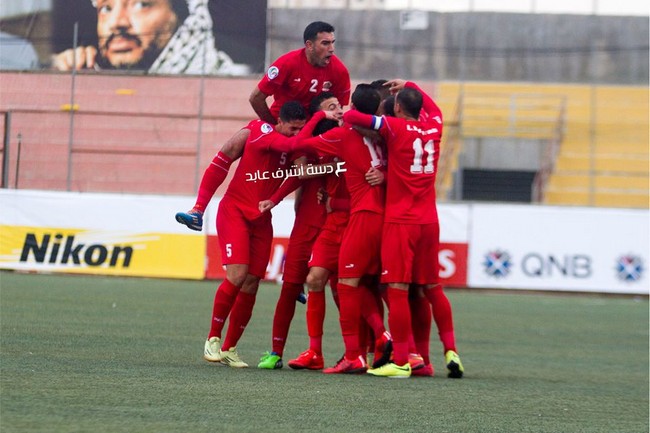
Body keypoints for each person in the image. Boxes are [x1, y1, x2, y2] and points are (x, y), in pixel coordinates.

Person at [200, 101, 337, 368]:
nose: (296, 133)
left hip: (261, 219)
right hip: (235, 212)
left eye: (300, 129)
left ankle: (229, 348)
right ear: (280, 123)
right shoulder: (262, 131)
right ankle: (212, 338)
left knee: (252, 282)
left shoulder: (294, 146)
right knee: (237, 275)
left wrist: (330, 168)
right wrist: (320, 115)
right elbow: (291, 146)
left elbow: (301, 173)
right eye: (292, 128)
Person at [343, 81, 462, 378]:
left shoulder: (394, 126)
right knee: (432, 288)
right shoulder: (434, 126)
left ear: (397, 107)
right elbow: (435, 109)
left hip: (401, 221)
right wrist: (409, 85)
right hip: (429, 221)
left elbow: (353, 117)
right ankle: (449, 351)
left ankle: (400, 360)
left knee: (396, 289)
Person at [256, 93, 342, 370]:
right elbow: (300, 174)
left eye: (339, 107)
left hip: (338, 225)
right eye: (331, 107)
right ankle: (276, 352)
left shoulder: (348, 139)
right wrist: (276, 199)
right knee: (290, 287)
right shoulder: (305, 144)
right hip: (306, 225)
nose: (338, 111)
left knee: (345, 290)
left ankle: (362, 351)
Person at [52, 0, 248, 75]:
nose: (116, 22)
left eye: (141, 5)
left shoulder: (230, 79)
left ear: (182, 16)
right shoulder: (86, 72)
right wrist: (56, 73)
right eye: (106, 8)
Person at [249, 21, 351, 125]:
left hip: (315, 127)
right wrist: (273, 125)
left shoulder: (340, 71)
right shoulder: (286, 64)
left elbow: (338, 111)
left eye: (332, 42)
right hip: (284, 124)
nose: (332, 49)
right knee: (246, 132)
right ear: (309, 45)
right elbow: (256, 98)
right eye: (325, 43)